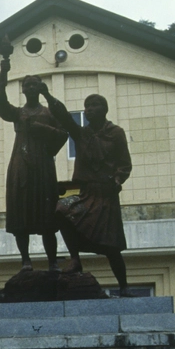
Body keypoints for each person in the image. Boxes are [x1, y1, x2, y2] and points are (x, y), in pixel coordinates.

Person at [43, 91, 133, 294]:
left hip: (106, 194)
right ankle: (75, 259)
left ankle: (124, 285)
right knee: (62, 209)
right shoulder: (81, 134)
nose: (89, 109)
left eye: (94, 105)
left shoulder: (116, 133)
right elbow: (64, 116)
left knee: (111, 246)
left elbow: (125, 164)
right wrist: (46, 94)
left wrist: (117, 180)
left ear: (105, 109)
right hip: (86, 192)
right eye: (87, 106)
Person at [0, 53, 69, 271]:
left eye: (35, 85)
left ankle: (53, 261)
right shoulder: (17, 113)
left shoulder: (48, 111)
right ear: (23, 90)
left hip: (43, 167)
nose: (31, 88)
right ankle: (26, 260)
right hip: (21, 165)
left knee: (48, 219)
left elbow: (64, 130)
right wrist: (4, 71)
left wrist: (39, 126)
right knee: (21, 216)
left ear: (40, 88)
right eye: (27, 85)